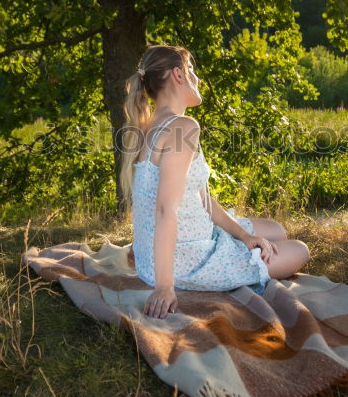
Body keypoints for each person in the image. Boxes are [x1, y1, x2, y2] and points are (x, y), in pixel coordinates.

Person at [118, 44, 310, 319]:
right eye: (192, 71)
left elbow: (200, 197)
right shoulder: (183, 127)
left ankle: (241, 240)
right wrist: (164, 286)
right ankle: (212, 262)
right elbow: (164, 209)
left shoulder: (148, 125)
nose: (197, 79)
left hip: (160, 253)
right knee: (299, 250)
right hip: (187, 259)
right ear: (178, 75)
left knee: (276, 230)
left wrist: (244, 236)